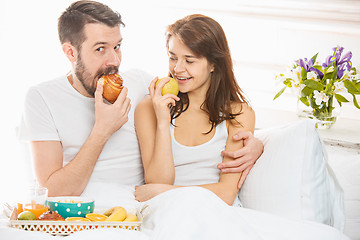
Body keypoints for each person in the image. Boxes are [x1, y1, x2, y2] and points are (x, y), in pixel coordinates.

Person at [18, 0, 262, 200]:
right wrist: (102, 130)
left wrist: (258, 145)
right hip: (86, 210)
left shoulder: (141, 85)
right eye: (100, 49)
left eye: (118, 46)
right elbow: (52, 191)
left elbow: (207, 104)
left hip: (138, 207)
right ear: (71, 52)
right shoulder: (42, 98)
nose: (114, 61)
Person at [134, 14, 255, 206]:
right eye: (173, 58)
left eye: (189, 61)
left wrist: (165, 192)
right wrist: (163, 123)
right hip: (167, 211)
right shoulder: (149, 108)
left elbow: (226, 194)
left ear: (214, 64)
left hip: (216, 212)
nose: (178, 68)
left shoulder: (239, 114)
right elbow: (157, 182)